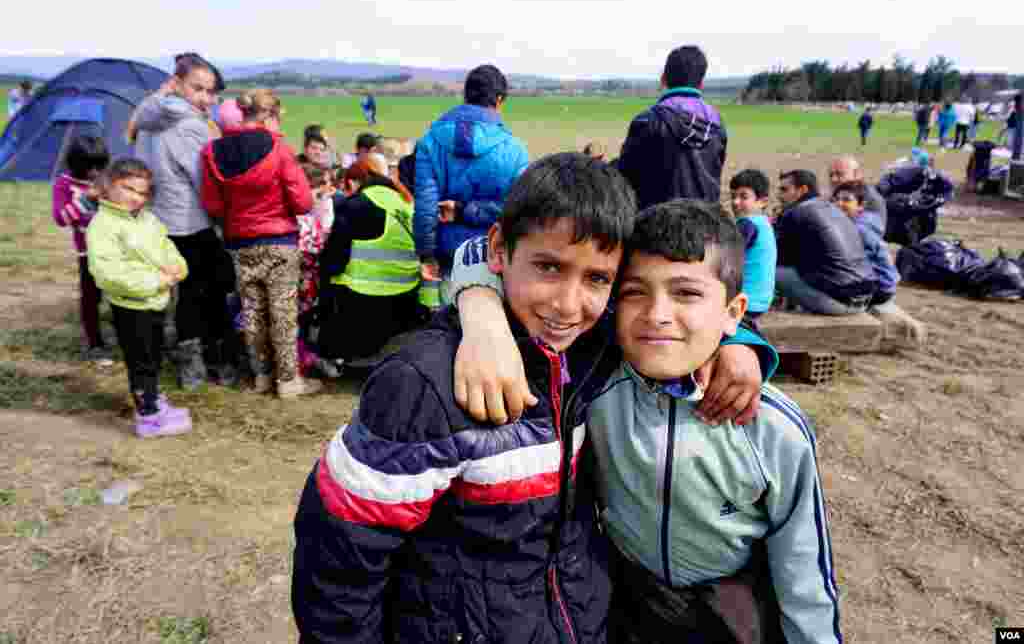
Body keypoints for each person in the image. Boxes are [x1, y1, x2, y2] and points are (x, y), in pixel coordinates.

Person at [291, 153, 775, 643]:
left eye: (597, 279)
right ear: (500, 248)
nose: (567, 304)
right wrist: (478, 310)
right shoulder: (421, 385)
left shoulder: (597, 349)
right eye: (547, 267)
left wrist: (739, 342)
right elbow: (340, 560)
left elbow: (683, 296)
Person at [451, 200, 841, 644]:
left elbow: (804, 568)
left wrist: (744, 343)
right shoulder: (594, 373)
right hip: (620, 596)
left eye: (686, 293)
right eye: (635, 292)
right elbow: (478, 249)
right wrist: (482, 316)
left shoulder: (772, 427)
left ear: (734, 312)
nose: (657, 314)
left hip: (731, 608)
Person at [200, 88, 321, 399]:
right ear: (269, 115)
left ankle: (262, 376)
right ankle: (289, 380)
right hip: (279, 239)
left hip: (240, 241)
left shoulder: (211, 152)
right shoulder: (278, 148)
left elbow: (212, 206)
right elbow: (303, 202)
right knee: (282, 310)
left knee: (252, 310)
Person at [132, 52, 237, 390]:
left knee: (185, 289)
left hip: (162, 215)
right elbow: (203, 178)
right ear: (177, 85)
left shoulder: (151, 117)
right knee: (206, 288)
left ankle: (187, 354)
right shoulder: (188, 124)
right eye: (198, 89)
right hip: (192, 220)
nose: (206, 99)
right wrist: (225, 215)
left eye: (210, 91)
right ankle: (203, 360)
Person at [86, 159, 191, 437]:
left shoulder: (147, 218)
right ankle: (148, 417)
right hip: (131, 305)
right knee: (140, 361)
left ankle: (153, 399)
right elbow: (108, 272)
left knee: (154, 356)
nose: (136, 197)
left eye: (142, 193)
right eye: (128, 189)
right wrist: (155, 281)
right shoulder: (103, 225)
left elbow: (165, 244)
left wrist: (177, 265)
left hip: (155, 302)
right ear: (109, 186)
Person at [413, 63, 529, 291]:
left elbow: (426, 207)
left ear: (465, 96)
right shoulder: (515, 150)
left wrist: (426, 254)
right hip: (494, 255)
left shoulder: (430, 141)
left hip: (448, 255)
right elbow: (520, 210)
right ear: (499, 100)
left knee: (450, 320)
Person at [315, 155, 424, 366]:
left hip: (363, 297)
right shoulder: (404, 202)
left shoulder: (357, 204)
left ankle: (331, 354)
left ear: (354, 182)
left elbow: (334, 259)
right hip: (406, 297)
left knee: (330, 275)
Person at [616, 45, 727, 208]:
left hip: (656, 224)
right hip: (706, 223)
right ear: (701, 83)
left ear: (663, 78)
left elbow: (626, 175)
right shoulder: (717, 124)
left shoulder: (646, 121)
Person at [775, 169, 877, 315]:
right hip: (865, 298)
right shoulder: (831, 208)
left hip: (839, 302)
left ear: (802, 190)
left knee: (769, 270)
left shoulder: (796, 212)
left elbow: (778, 258)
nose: (779, 195)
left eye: (784, 189)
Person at [52, 135, 113, 365]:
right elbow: (60, 218)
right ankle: (95, 344)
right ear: (76, 165)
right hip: (88, 253)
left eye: (100, 166)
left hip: (116, 252)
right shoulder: (64, 184)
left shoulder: (107, 180)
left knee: (120, 296)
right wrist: (87, 200)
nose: (95, 173)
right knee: (91, 299)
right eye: (89, 168)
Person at [296, 162, 341, 379]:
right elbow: (316, 242)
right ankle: (302, 360)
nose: (327, 189)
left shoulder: (322, 204)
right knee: (297, 319)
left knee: (303, 319)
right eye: (322, 184)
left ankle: (303, 358)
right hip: (303, 273)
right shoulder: (306, 209)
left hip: (309, 275)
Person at [831, 181, 900, 311]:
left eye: (846, 200)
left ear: (861, 205)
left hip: (879, 287)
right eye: (836, 200)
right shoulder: (863, 221)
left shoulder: (858, 229)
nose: (839, 204)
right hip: (884, 283)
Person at [729, 169, 777, 326]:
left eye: (743, 197)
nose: (735, 202)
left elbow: (726, 257)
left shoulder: (747, 224)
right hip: (761, 302)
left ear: (762, 201)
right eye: (733, 196)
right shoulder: (764, 223)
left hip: (746, 303)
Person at [827, 155, 887, 232]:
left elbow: (876, 234)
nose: (833, 179)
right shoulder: (833, 197)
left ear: (857, 174)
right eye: (831, 175)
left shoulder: (872, 200)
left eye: (839, 174)